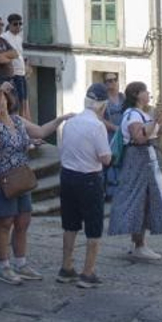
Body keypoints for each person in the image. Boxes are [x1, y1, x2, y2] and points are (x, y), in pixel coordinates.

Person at [0, 82, 69, 285]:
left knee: (23, 221)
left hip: (20, 177)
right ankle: (3, 266)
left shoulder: (17, 120)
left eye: (0, 97)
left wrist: (61, 119)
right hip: (0, 180)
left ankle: (21, 263)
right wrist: (0, 91)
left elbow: (39, 131)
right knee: (4, 223)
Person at [109, 81, 162, 259]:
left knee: (146, 198)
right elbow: (139, 138)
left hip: (146, 159)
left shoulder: (140, 114)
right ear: (136, 95)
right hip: (138, 159)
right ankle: (139, 243)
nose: (148, 94)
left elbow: (156, 132)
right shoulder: (133, 115)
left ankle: (138, 241)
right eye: (145, 91)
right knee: (140, 198)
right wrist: (154, 119)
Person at [58, 83, 113, 288]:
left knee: (70, 224)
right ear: (102, 106)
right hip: (89, 179)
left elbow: (62, 150)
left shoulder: (71, 122)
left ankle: (66, 267)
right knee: (93, 226)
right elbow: (105, 158)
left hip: (67, 176)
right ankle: (87, 272)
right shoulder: (97, 126)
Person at [101, 74, 125, 200]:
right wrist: (114, 127)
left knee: (122, 161)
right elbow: (99, 118)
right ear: (105, 83)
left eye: (115, 80)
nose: (113, 83)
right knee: (111, 161)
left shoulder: (123, 98)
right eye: (109, 81)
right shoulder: (104, 100)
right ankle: (110, 192)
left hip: (123, 135)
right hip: (110, 135)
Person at [4, 13, 29, 118]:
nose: (18, 26)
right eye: (15, 24)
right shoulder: (4, 37)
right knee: (16, 100)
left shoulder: (19, 38)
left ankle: (23, 120)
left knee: (24, 99)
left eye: (20, 24)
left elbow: (20, 55)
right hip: (13, 73)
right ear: (9, 25)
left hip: (21, 73)